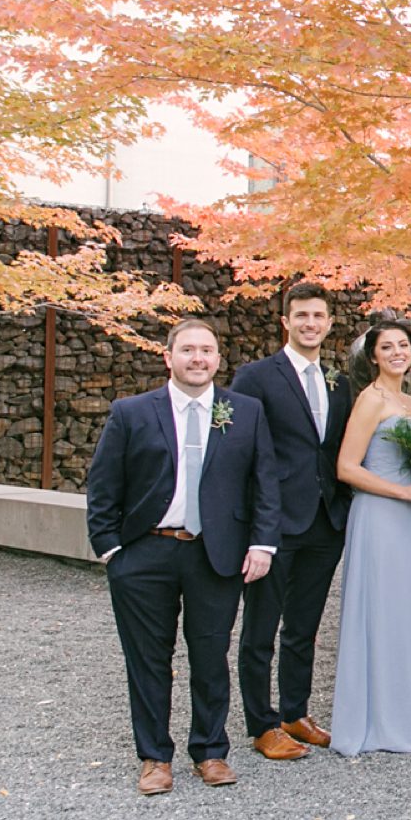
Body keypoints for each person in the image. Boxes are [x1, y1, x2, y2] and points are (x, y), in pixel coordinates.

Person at [84, 318, 280, 794]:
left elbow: (264, 482)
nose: (198, 358)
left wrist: (262, 544)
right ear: (168, 356)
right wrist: (111, 551)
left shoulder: (246, 412)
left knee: (211, 655)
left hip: (216, 554)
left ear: (218, 359)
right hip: (144, 553)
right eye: (188, 349)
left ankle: (210, 752)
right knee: (148, 659)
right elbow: (103, 485)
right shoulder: (132, 412)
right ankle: (155, 757)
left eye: (206, 350)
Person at [230, 281, 353, 760]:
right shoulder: (256, 377)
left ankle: (294, 712)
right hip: (274, 523)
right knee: (260, 629)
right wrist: (251, 528)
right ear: (286, 321)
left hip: (325, 521)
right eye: (301, 315)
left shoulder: (338, 382)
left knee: (304, 626)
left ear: (329, 323)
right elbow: (239, 452)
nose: (310, 323)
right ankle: (261, 724)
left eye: (318, 316)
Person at [329, 320, 411, 756]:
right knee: (380, 608)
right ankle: (376, 719)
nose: (397, 352)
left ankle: (405, 711)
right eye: (387, 347)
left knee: (405, 611)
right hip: (379, 515)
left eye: (403, 345)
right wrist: (404, 491)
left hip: (410, 517)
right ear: (373, 356)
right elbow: (347, 468)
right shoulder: (370, 399)